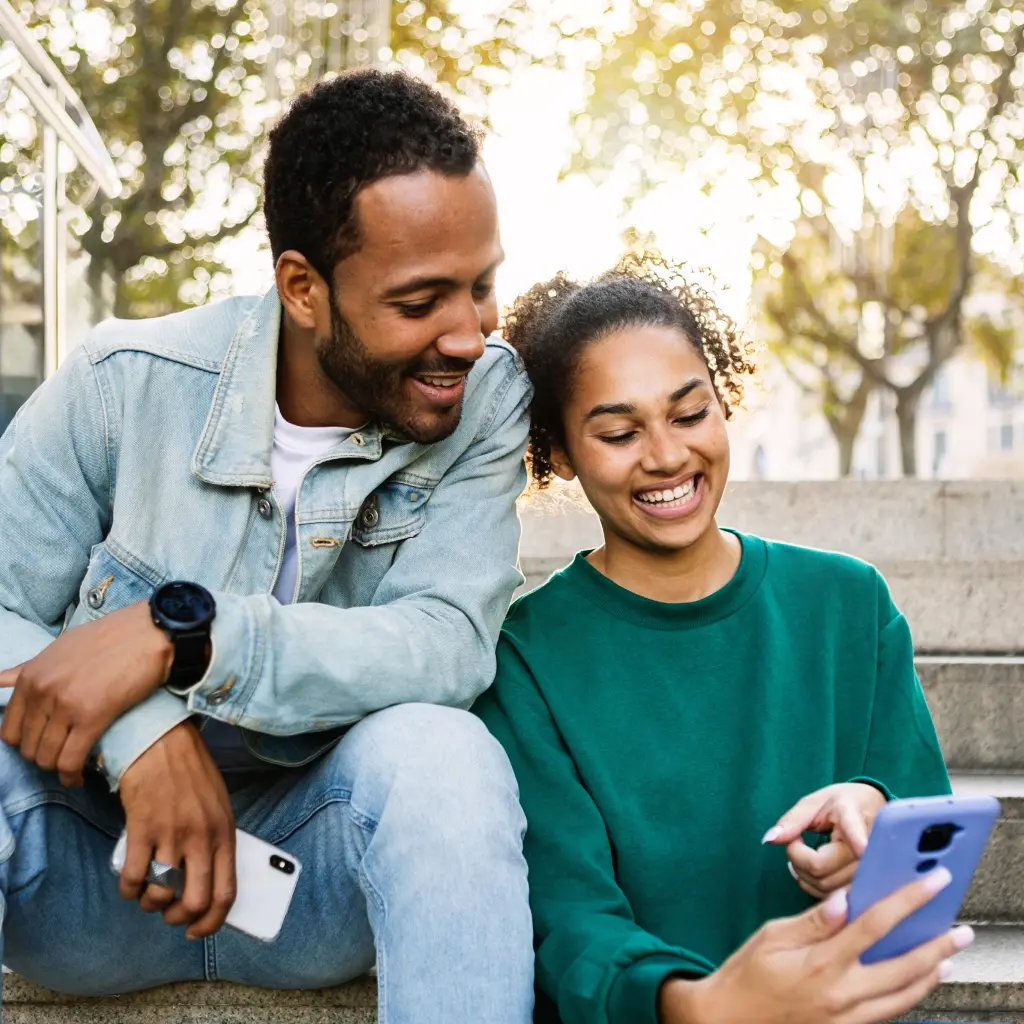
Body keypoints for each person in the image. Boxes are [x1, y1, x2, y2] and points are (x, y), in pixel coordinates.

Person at [0, 70, 534, 1023]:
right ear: (303, 289)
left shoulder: (485, 401)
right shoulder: (124, 385)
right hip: (91, 866)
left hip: (314, 880)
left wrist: (196, 645)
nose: (469, 333)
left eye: (482, 285)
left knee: (444, 752)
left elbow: (448, 639)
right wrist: (146, 734)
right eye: (420, 302)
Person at [474, 254, 969, 1024]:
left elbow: (926, 832)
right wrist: (705, 1005)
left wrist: (872, 814)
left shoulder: (849, 603)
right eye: (617, 431)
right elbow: (571, 924)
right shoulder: (525, 659)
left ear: (723, 401)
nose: (667, 455)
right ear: (562, 451)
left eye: (689, 412)